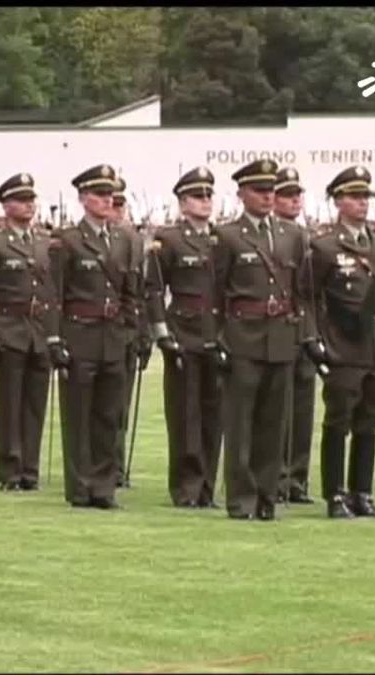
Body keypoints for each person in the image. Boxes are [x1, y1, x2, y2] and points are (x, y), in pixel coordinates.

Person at [211, 159, 319, 521]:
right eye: (259, 190)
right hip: (243, 336)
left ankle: (267, 496)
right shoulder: (227, 235)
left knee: (275, 424)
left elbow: (304, 292)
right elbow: (215, 292)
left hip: (280, 337)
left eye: (271, 190)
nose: (267, 197)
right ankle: (242, 498)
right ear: (242, 194)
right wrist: (217, 340)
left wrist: (305, 334)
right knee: (241, 423)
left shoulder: (293, 235)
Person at [309, 166, 375, 518]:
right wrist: (317, 339)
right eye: (354, 196)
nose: (362, 203)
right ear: (337, 201)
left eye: (366, 196)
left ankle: (361, 492)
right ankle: (335, 494)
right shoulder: (323, 246)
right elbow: (313, 298)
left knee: (369, 420)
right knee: (338, 420)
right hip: (344, 345)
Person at [48, 164, 141, 510]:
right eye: (101, 195)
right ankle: (80, 485)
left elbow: (130, 292)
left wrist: (131, 330)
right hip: (79, 334)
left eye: (110, 195)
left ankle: (104, 486)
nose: (107, 201)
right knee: (79, 415)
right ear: (84, 199)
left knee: (108, 414)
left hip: (112, 336)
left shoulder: (121, 239)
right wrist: (55, 340)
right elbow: (54, 294)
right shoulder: (67, 240)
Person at [0, 173, 57, 492]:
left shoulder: (45, 242)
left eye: (31, 200)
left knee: (35, 403)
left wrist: (54, 334)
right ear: (6, 206)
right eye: (21, 200)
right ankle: (10, 468)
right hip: (8, 327)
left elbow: (51, 292)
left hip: (38, 330)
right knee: (9, 403)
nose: (28, 206)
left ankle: (30, 469)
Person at [146, 166, 222, 508]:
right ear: (181, 202)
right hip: (183, 330)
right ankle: (186, 487)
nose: (205, 202)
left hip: (216, 333)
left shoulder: (221, 239)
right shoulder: (170, 239)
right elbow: (153, 290)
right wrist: (161, 332)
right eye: (197, 196)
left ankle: (207, 485)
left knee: (214, 414)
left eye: (208, 195)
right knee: (184, 414)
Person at [271, 167, 318, 505]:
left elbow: (313, 292)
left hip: (304, 330)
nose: (295, 201)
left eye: (297, 195)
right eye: (288, 195)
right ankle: (276, 476)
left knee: (302, 410)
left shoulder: (306, 237)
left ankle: (297, 478)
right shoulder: (274, 236)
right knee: (278, 410)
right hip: (277, 331)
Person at [111, 177, 153, 489]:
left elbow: (141, 292)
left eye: (119, 203)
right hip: (100, 329)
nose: (116, 209)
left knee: (120, 406)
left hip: (126, 330)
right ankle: (102, 465)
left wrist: (144, 333)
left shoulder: (133, 241)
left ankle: (116, 465)